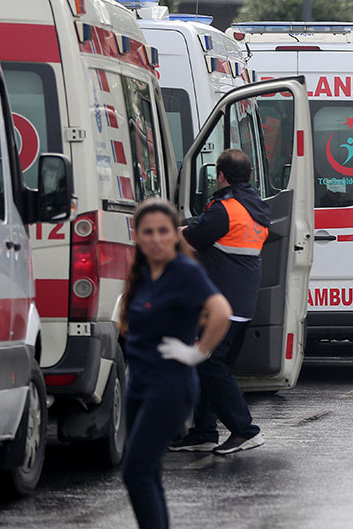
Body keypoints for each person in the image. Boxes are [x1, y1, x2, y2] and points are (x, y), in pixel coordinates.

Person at [118, 198, 232, 529]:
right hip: (138, 383)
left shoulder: (184, 272)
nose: (156, 238)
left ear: (174, 235)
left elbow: (221, 311)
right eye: (148, 232)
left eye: (163, 231)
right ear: (137, 236)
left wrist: (197, 352)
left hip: (169, 387)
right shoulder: (141, 272)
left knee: (135, 471)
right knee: (148, 471)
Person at [172, 149, 271, 454]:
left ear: (221, 176)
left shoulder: (224, 209)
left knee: (210, 365)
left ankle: (245, 430)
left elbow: (190, 238)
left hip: (222, 305)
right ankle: (204, 432)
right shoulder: (256, 208)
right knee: (211, 367)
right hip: (241, 304)